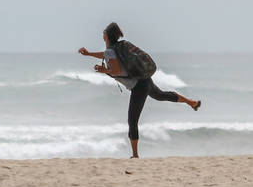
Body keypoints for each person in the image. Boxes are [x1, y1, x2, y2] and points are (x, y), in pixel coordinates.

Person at [78, 22, 201, 158]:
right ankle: (192, 102)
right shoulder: (116, 48)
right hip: (145, 80)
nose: (102, 35)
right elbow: (105, 55)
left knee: (132, 120)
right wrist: (89, 54)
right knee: (161, 95)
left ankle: (135, 155)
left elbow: (116, 69)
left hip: (138, 87)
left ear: (107, 36)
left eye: (103, 34)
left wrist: (104, 70)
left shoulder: (111, 51)